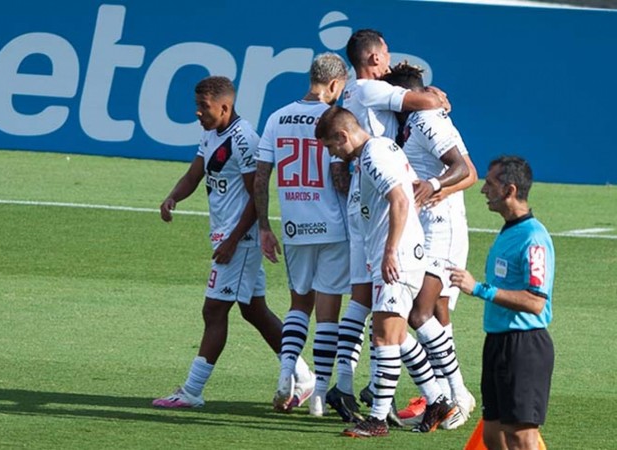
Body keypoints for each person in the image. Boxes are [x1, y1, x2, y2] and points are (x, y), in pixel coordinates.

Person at [153, 76, 312, 409]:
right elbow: (195, 174)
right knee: (254, 310)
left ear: (224, 106)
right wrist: (173, 197)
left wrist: (233, 241)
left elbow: (257, 194)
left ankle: (192, 391)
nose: (198, 112)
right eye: (197, 105)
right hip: (227, 236)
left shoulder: (243, 140)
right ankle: (303, 374)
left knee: (213, 310)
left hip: (240, 239)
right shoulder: (211, 134)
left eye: (204, 107)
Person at [327, 28, 451, 426]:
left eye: (332, 146)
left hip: (379, 214)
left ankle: (367, 400)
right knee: (383, 322)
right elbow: (425, 100)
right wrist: (434, 94)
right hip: (376, 212)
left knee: (376, 315)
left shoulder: (361, 106)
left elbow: (399, 198)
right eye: (386, 54)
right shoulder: (368, 91)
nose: (388, 61)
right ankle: (434, 396)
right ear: (375, 57)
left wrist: (390, 250)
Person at [381, 62, 478, 429]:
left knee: (416, 313)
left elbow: (465, 169)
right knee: (434, 313)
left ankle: (453, 392)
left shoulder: (426, 120)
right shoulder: (412, 122)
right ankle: (444, 394)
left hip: (443, 228)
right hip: (425, 227)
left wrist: (435, 187)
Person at [254, 53, 350, 416]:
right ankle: (321, 397)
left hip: (294, 227)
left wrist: (264, 226)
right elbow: (341, 178)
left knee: (298, 306)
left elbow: (262, 176)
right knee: (328, 314)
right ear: (335, 84)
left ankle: (285, 376)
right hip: (333, 227)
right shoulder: (335, 119)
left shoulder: (278, 117)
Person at [450, 156, 555, 450]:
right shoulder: (510, 230)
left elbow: (536, 302)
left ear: (509, 190)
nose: (483, 190)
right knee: (493, 434)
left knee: (521, 437)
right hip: (497, 342)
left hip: (524, 347)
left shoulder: (533, 238)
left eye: (490, 183)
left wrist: (480, 289)